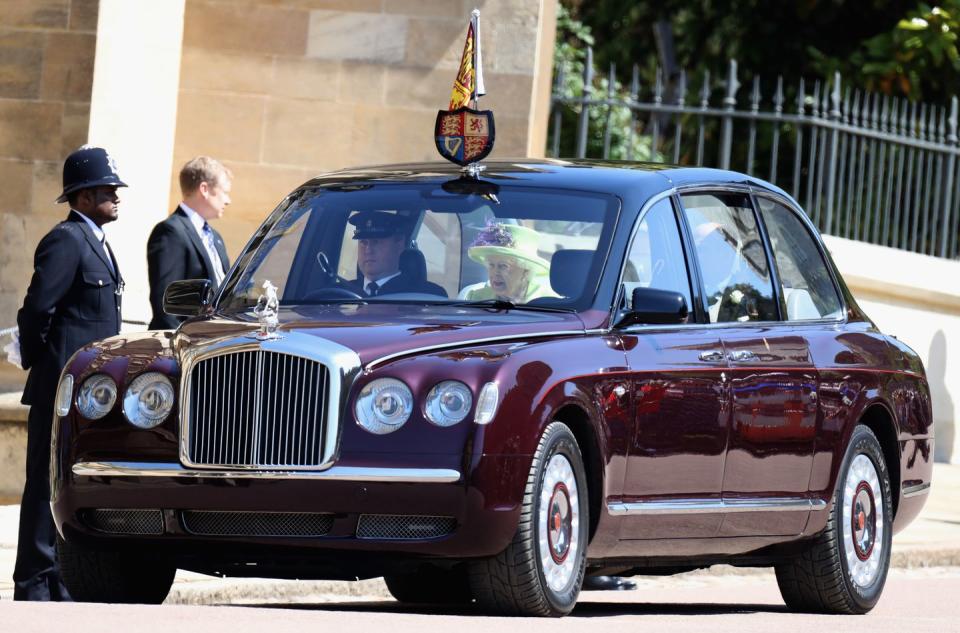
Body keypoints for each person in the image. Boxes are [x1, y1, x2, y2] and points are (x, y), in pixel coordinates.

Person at [14, 146, 127, 601]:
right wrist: (46, 365)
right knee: (45, 482)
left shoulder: (97, 241)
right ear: (81, 198)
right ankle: (34, 579)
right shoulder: (67, 240)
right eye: (107, 189)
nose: (116, 196)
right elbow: (38, 309)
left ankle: (60, 575)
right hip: (60, 384)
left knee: (72, 483)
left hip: (88, 391)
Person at [147, 156, 232, 329]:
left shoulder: (215, 237)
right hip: (186, 342)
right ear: (204, 189)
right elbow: (165, 301)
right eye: (225, 191)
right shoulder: (171, 231)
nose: (228, 200)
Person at [347, 210, 445, 296]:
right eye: (363, 243)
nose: (368, 250)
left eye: (376, 242)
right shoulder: (340, 292)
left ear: (399, 243)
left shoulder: (427, 295)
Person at [459, 222, 557, 303]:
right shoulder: (476, 298)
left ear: (526, 271)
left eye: (503, 266)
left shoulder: (547, 302)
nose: (495, 273)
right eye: (491, 265)